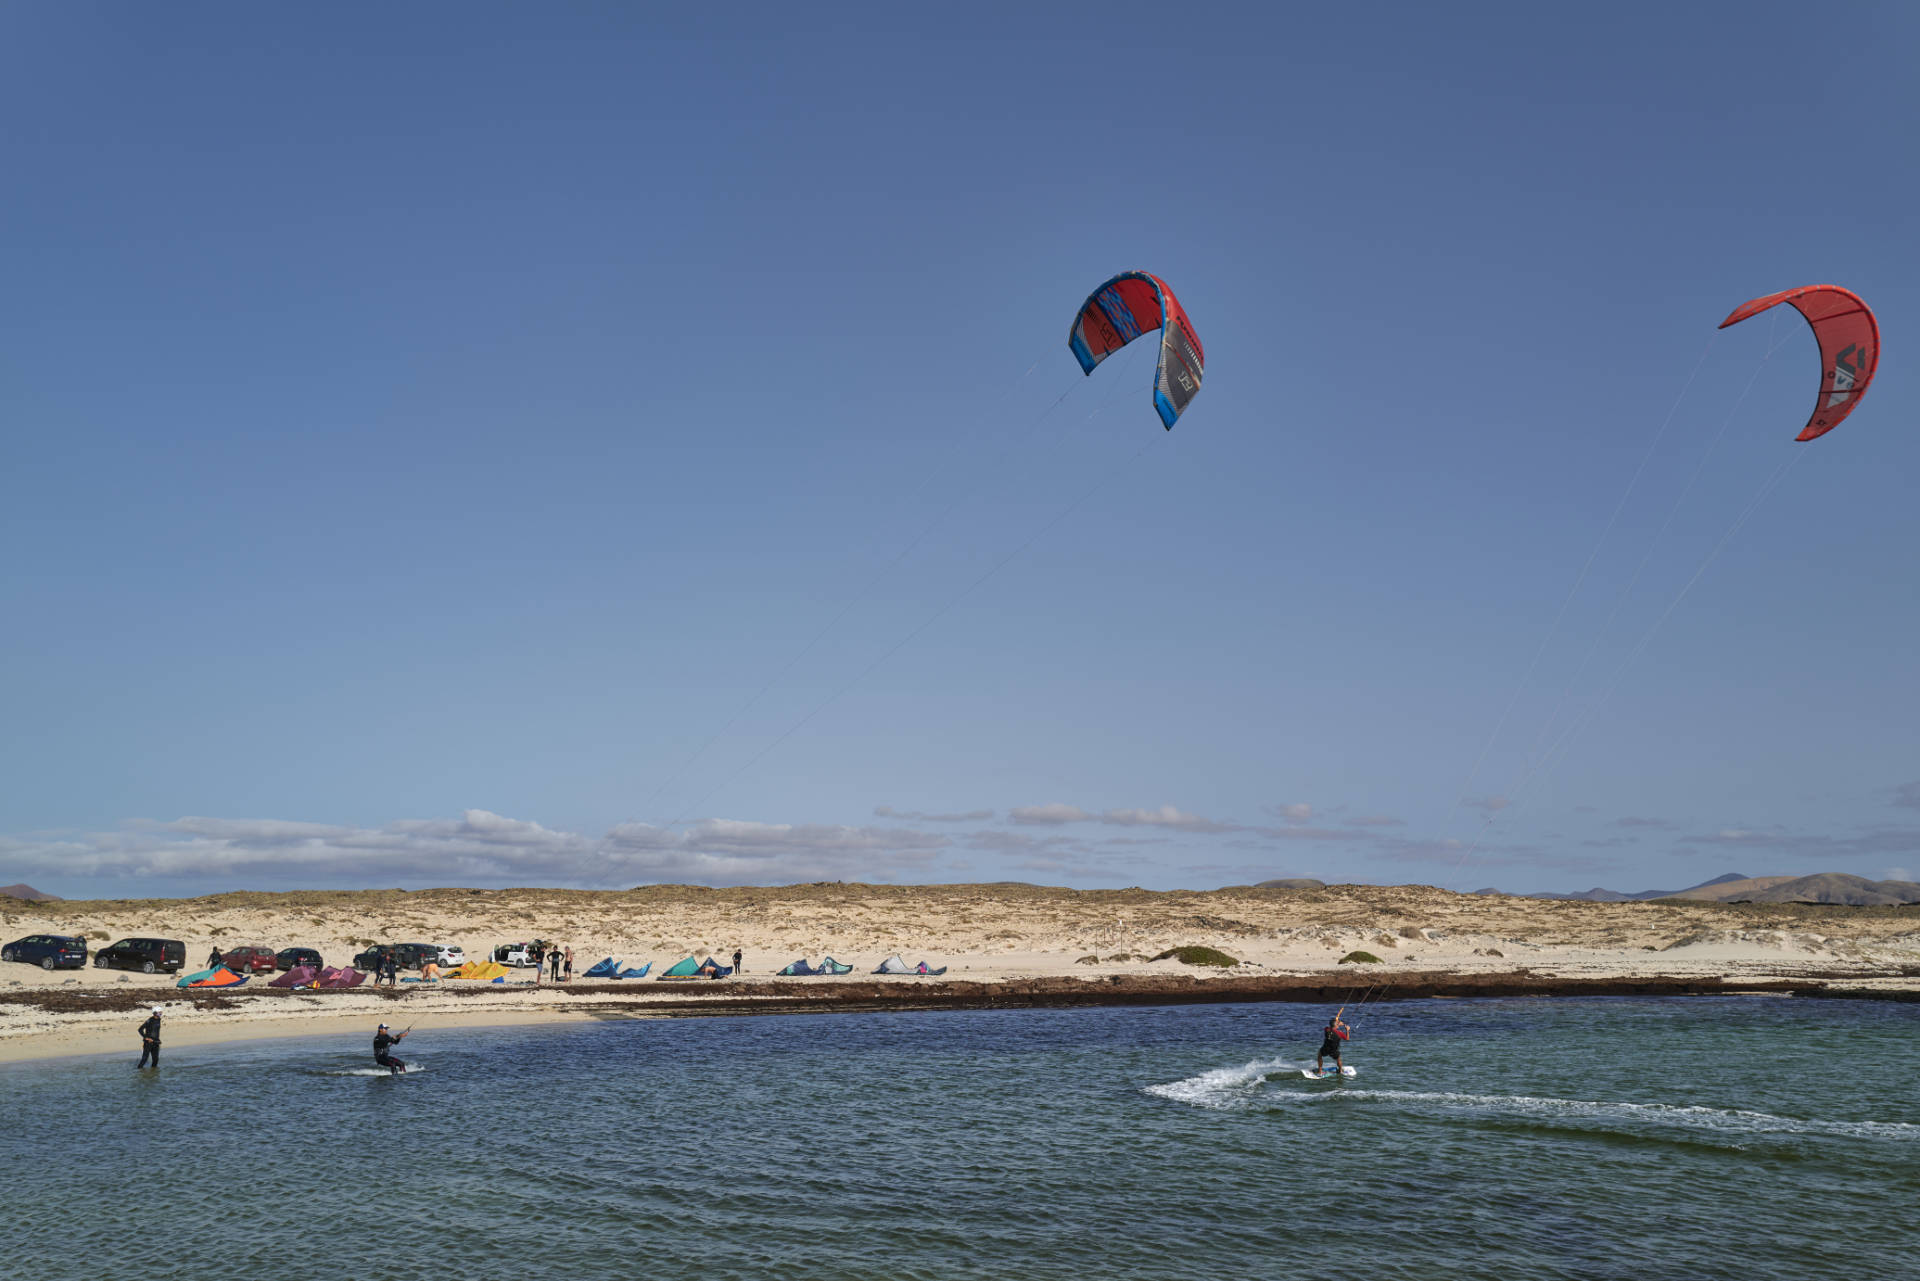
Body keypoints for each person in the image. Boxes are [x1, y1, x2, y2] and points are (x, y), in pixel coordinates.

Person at [1316, 1008, 1351, 1076]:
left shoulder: (1326, 1029)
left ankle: (1320, 1071)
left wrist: (1338, 1019)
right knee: (1338, 1059)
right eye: (1338, 1024)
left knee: (1319, 1055)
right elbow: (1347, 1039)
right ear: (1337, 1026)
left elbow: (1333, 1023)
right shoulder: (1340, 1033)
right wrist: (1347, 1030)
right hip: (1334, 1050)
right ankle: (1340, 1071)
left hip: (1326, 1048)